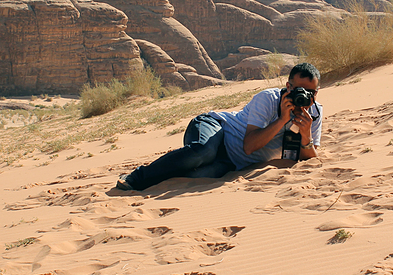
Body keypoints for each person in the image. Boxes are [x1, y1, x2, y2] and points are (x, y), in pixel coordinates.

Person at [116, 62, 323, 191]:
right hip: (216, 128)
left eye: (311, 93)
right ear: (288, 87)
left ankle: (156, 180)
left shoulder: (315, 113)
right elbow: (249, 146)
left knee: (197, 176)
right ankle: (136, 178)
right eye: (299, 91)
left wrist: (306, 135)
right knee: (203, 152)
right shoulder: (268, 99)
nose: (304, 97)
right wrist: (281, 120)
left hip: (232, 162)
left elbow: (309, 159)